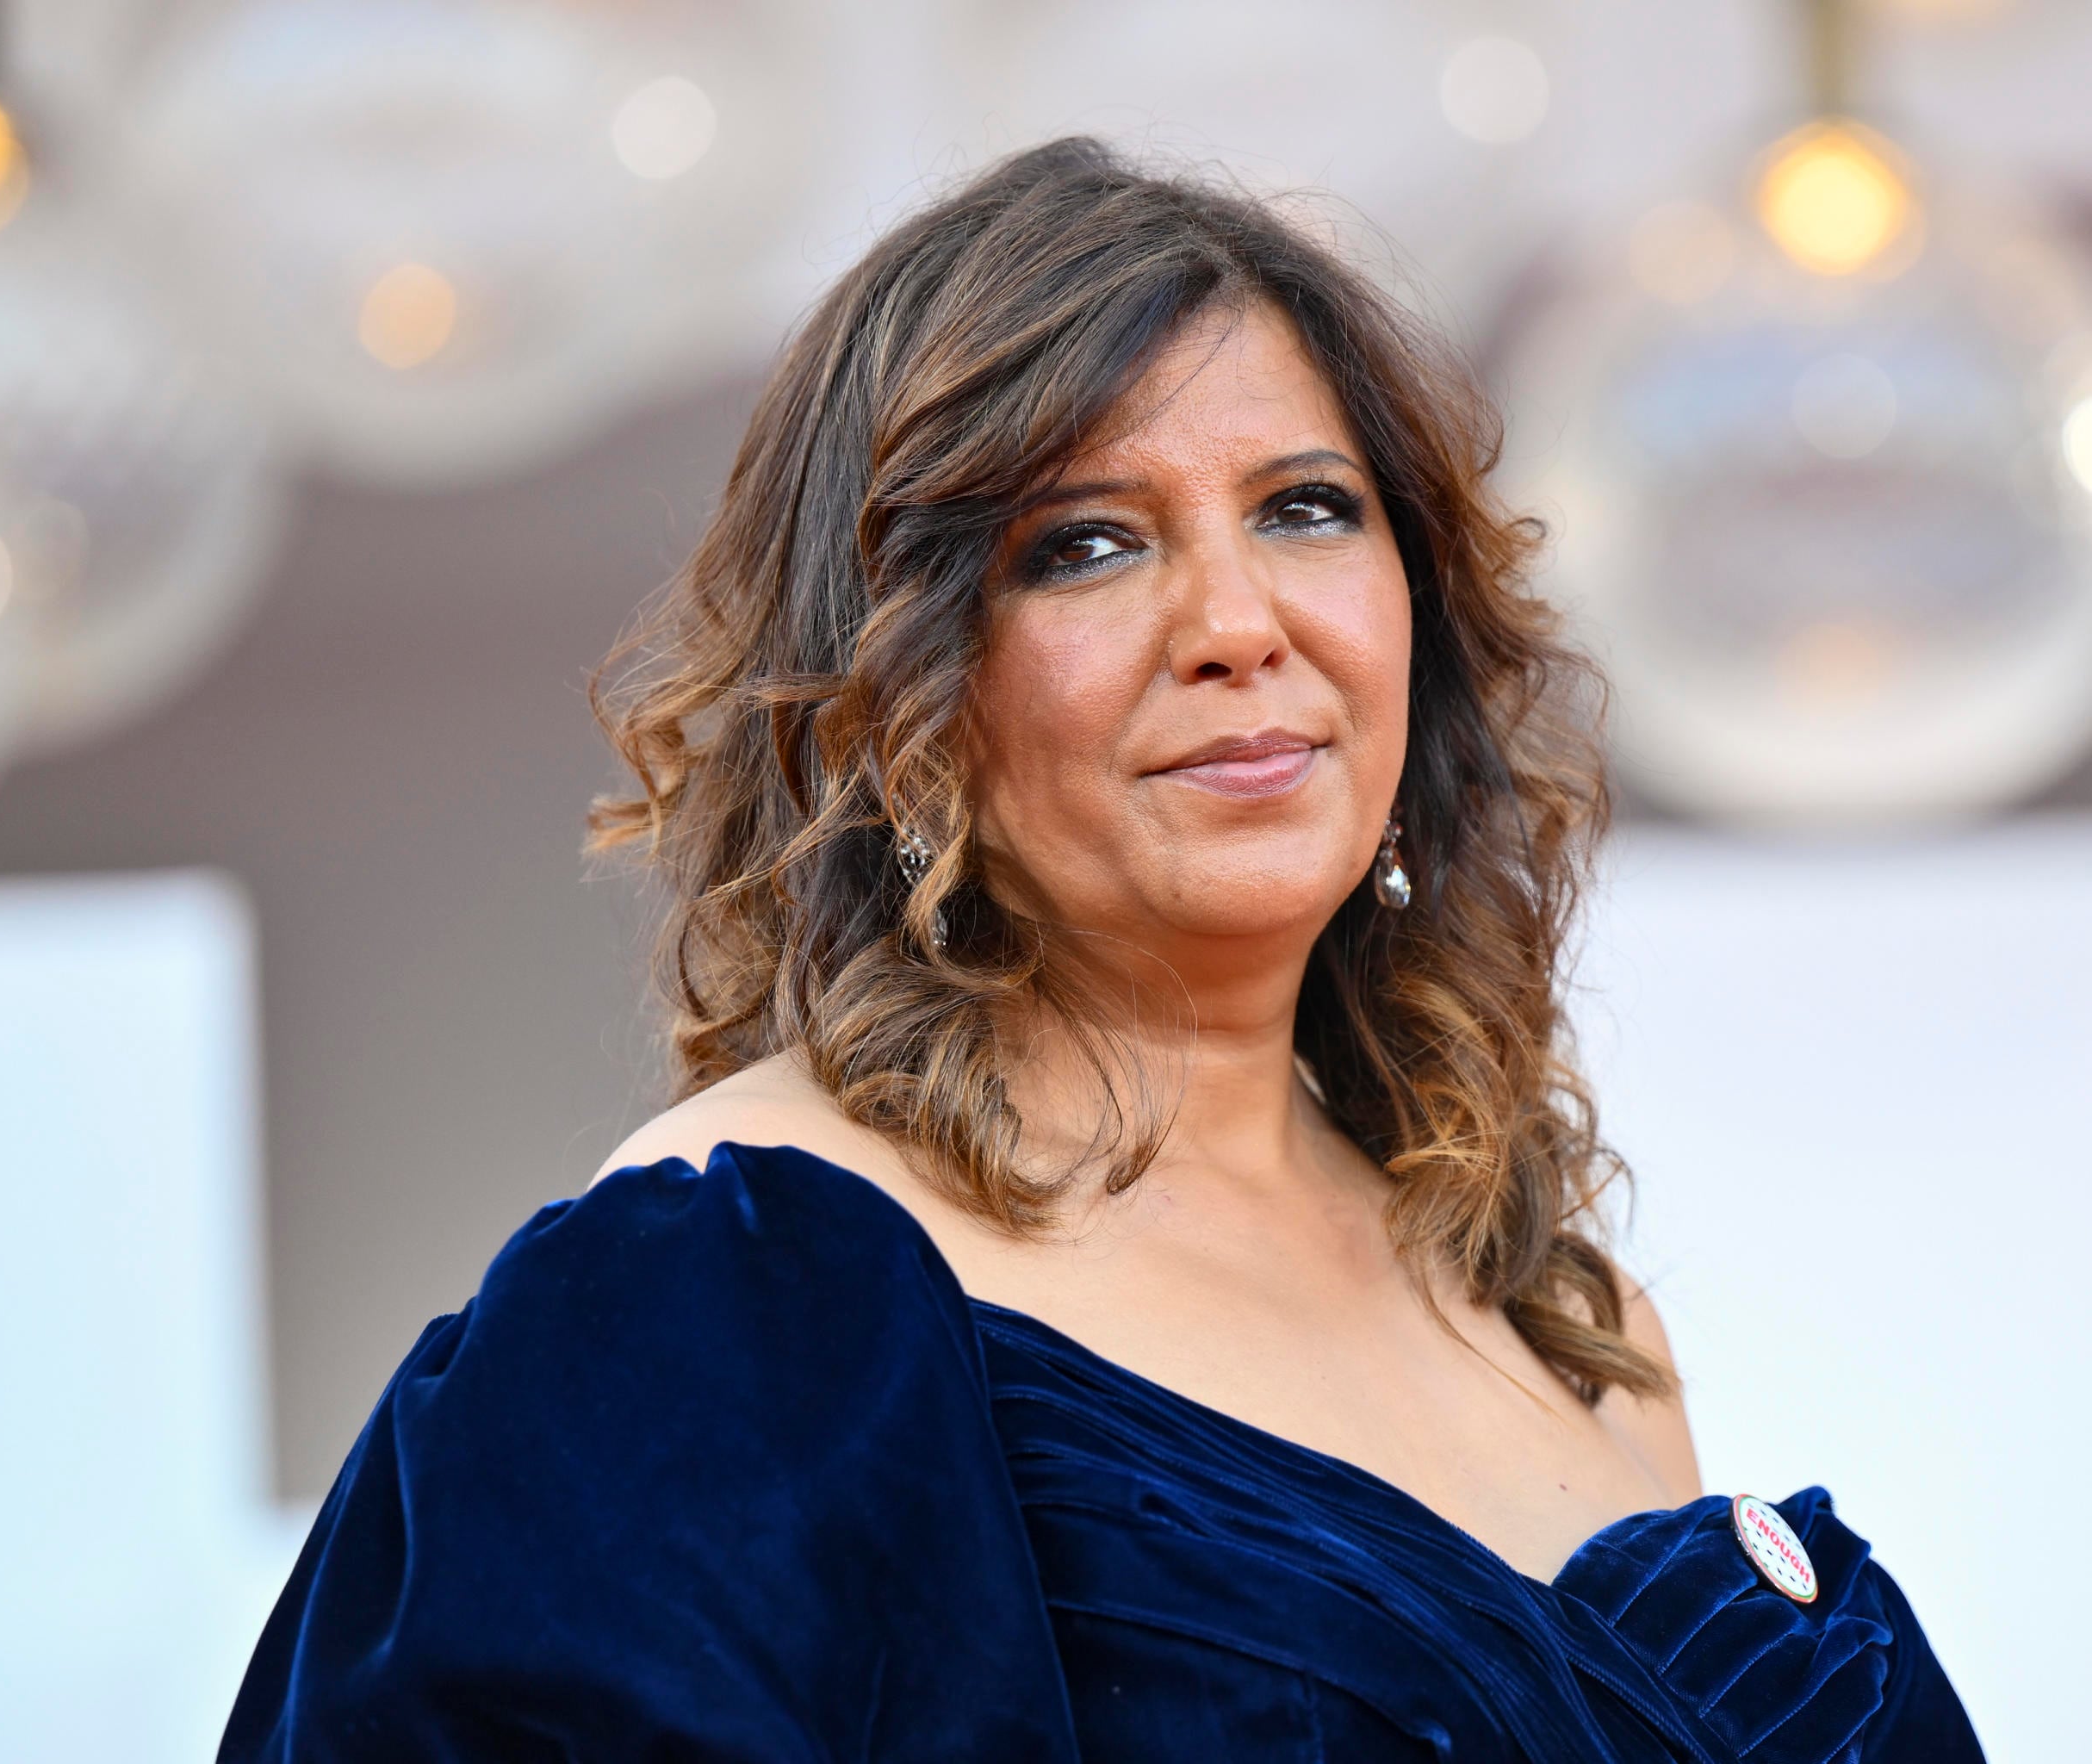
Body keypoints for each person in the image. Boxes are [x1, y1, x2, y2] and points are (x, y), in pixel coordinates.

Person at [222, 138, 1982, 1761]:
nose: (1235, 622)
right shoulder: (728, 1276)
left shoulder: (1574, 1329)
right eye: (1084, 546)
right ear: (899, 694)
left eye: (1306, 507)